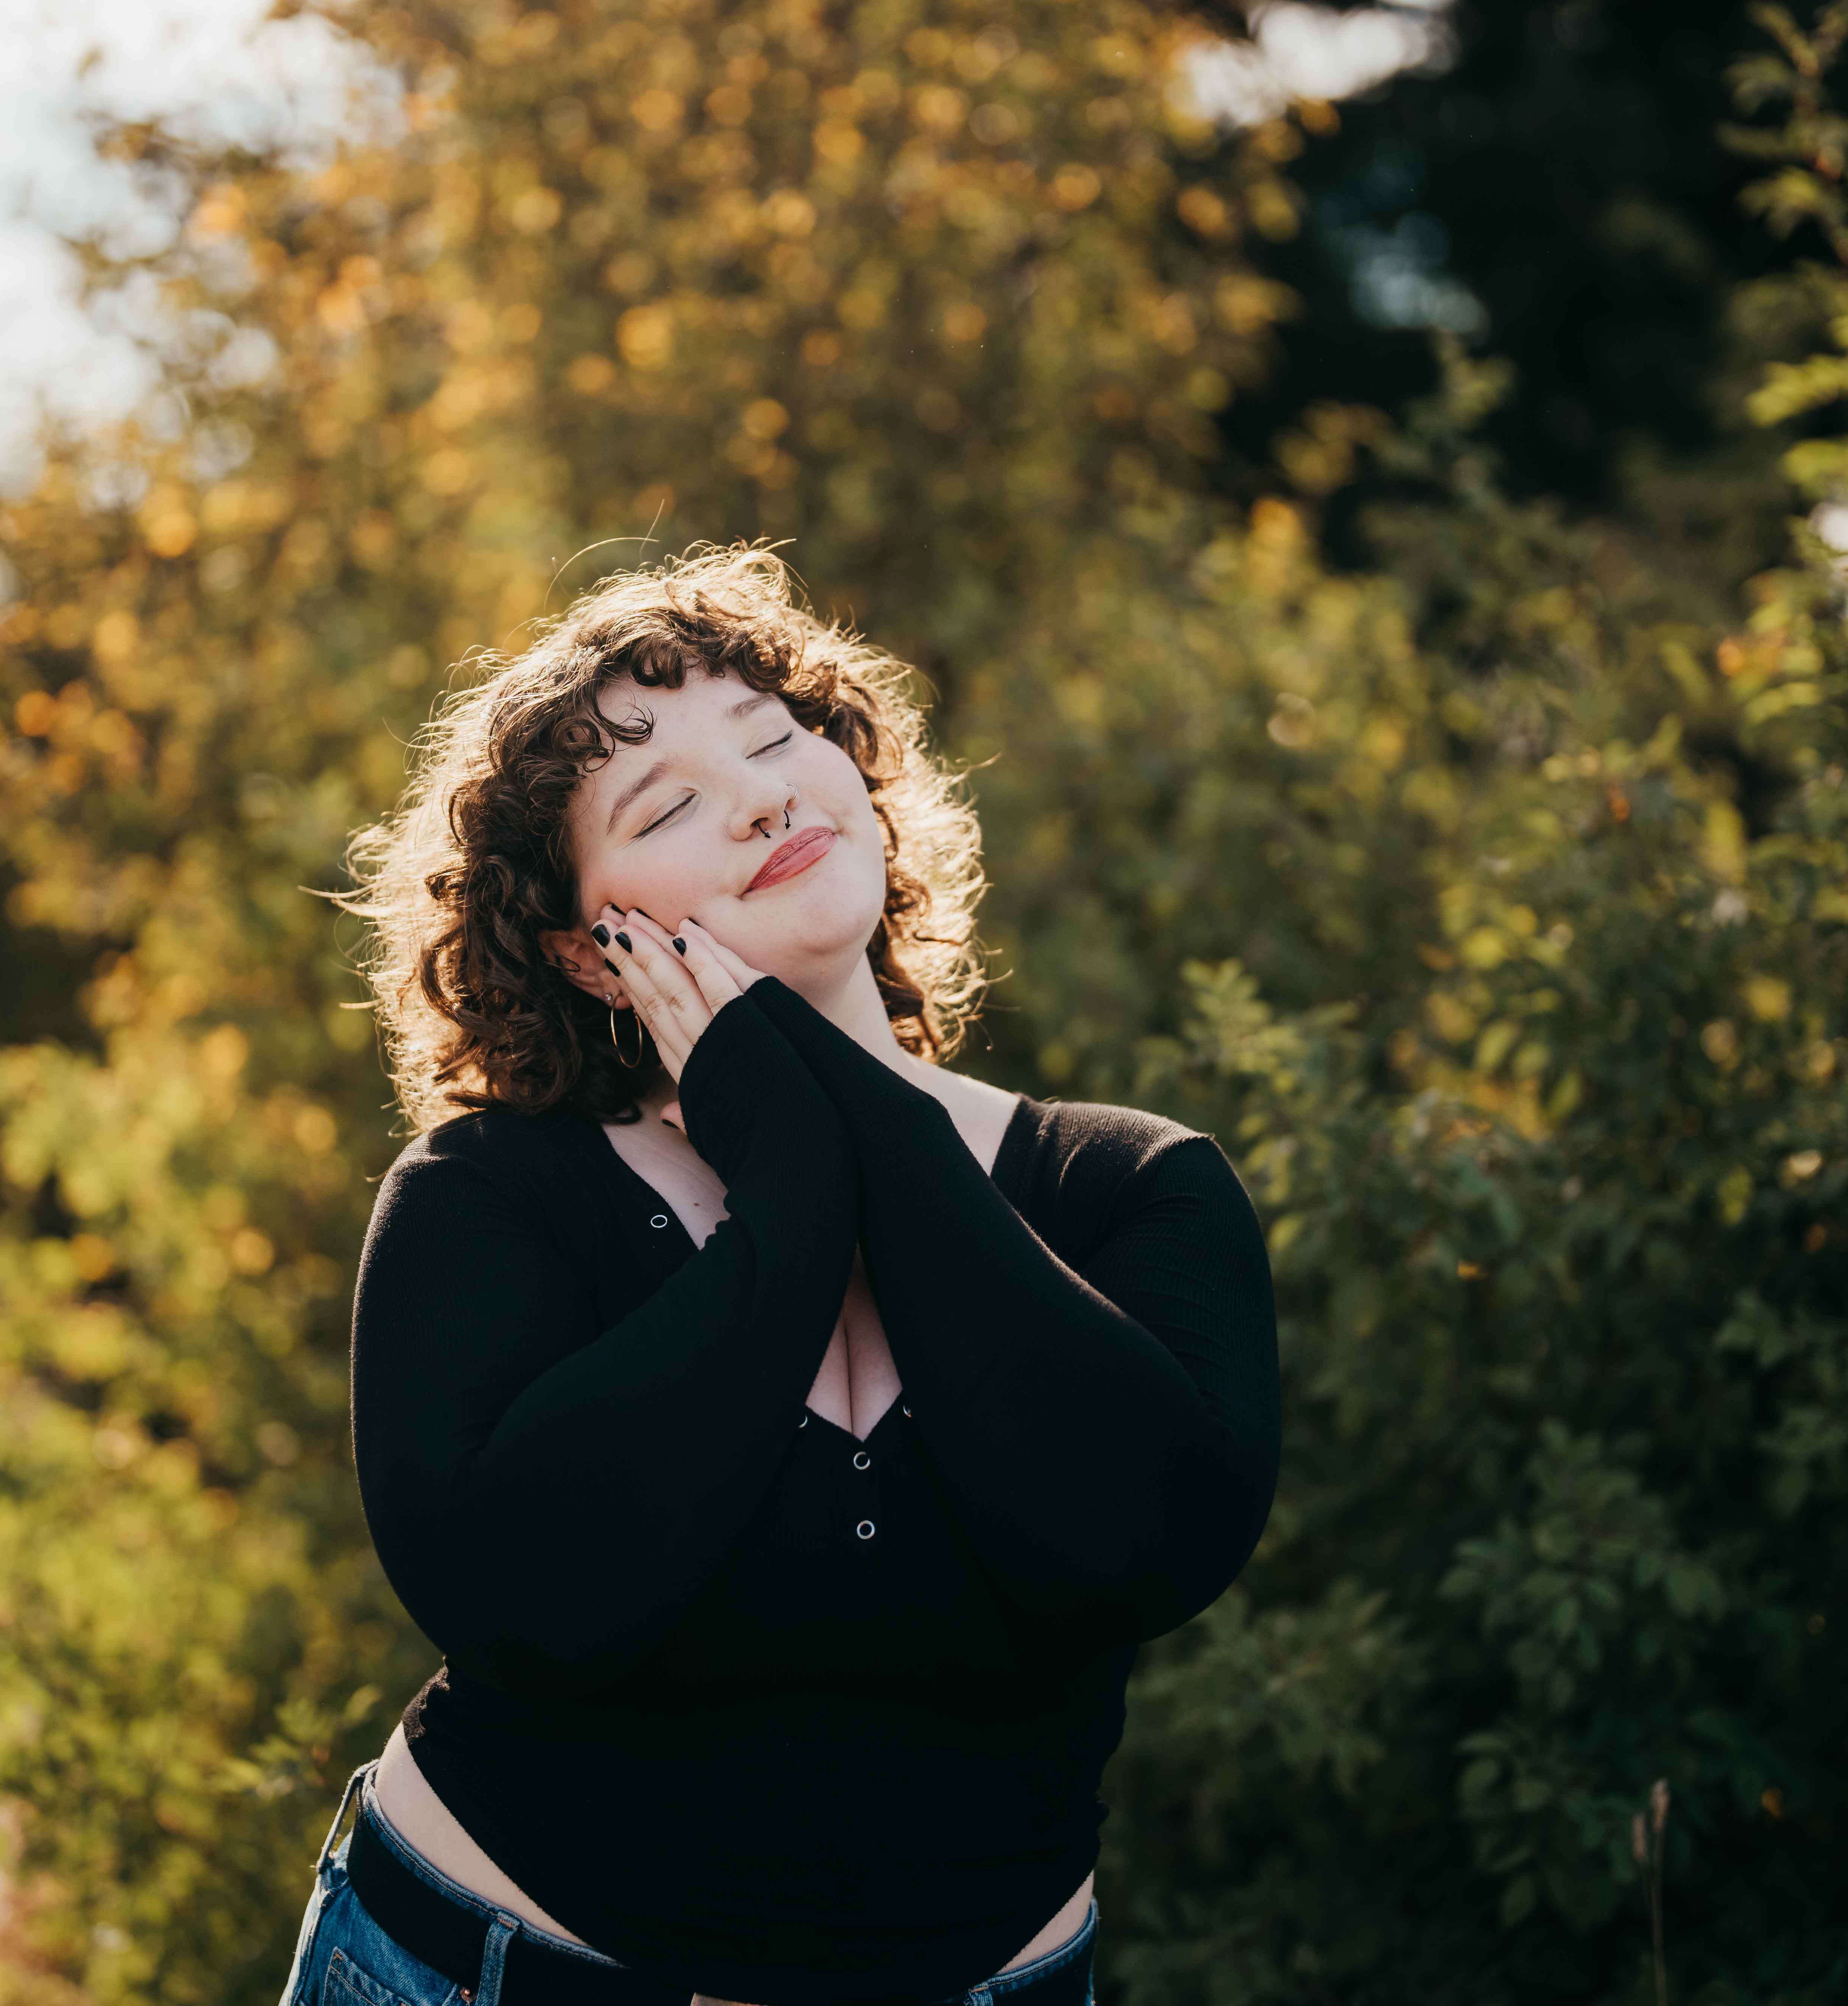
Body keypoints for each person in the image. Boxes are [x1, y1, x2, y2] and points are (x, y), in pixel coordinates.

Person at [305, 545, 1280, 2006]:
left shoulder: (1130, 1189)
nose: (762, 795)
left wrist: (818, 1109)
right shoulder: (490, 1203)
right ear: (585, 952)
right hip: (478, 1972)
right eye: (669, 803)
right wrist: (794, 1195)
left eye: (776, 739)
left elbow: (1143, 1538)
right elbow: (527, 1595)